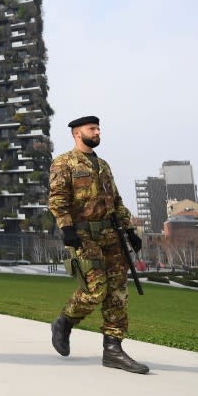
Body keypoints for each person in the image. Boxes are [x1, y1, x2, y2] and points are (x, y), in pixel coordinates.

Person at [49, 116, 148, 374]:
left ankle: (113, 350)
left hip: (111, 235)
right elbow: (58, 198)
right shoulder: (64, 162)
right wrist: (66, 228)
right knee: (96, 290)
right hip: (83, 236)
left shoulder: (103, 164)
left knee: (118, 292)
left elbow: (115, 200)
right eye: (92, 129)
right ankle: (65, 321)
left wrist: (129, 229)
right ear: (76, 133)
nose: (97, 132)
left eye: (98, 128)